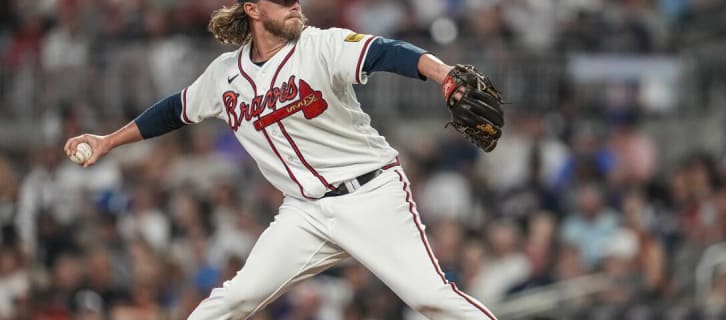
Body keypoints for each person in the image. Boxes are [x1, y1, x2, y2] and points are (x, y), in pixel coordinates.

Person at [63, 0, 501, 319]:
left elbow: (385, 51)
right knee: (234, 299)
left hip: (370, 194)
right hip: (303, 212)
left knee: (431, 299)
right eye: (282, 0)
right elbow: (174, 110)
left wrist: (443, 75)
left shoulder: (321, 45)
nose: (295, 4)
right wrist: (108, 141)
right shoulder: (224, 75)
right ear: (253, 9)